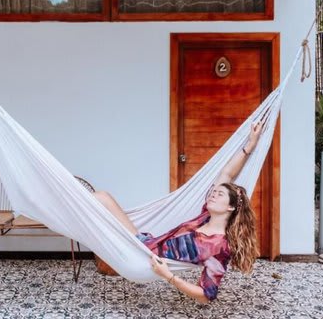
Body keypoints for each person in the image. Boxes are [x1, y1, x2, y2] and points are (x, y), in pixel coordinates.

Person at [93, 121, 263, 304]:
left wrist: (168, 276)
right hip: (142, 243)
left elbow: (206, 296)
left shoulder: (219, 246)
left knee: (97, 205)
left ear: (230, 207)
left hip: (144, 260)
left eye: (219, 194)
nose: (213, 195)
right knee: (102, 197)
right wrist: (250, 146)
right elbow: (227, 173)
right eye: (213, 192)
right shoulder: (205, 216)